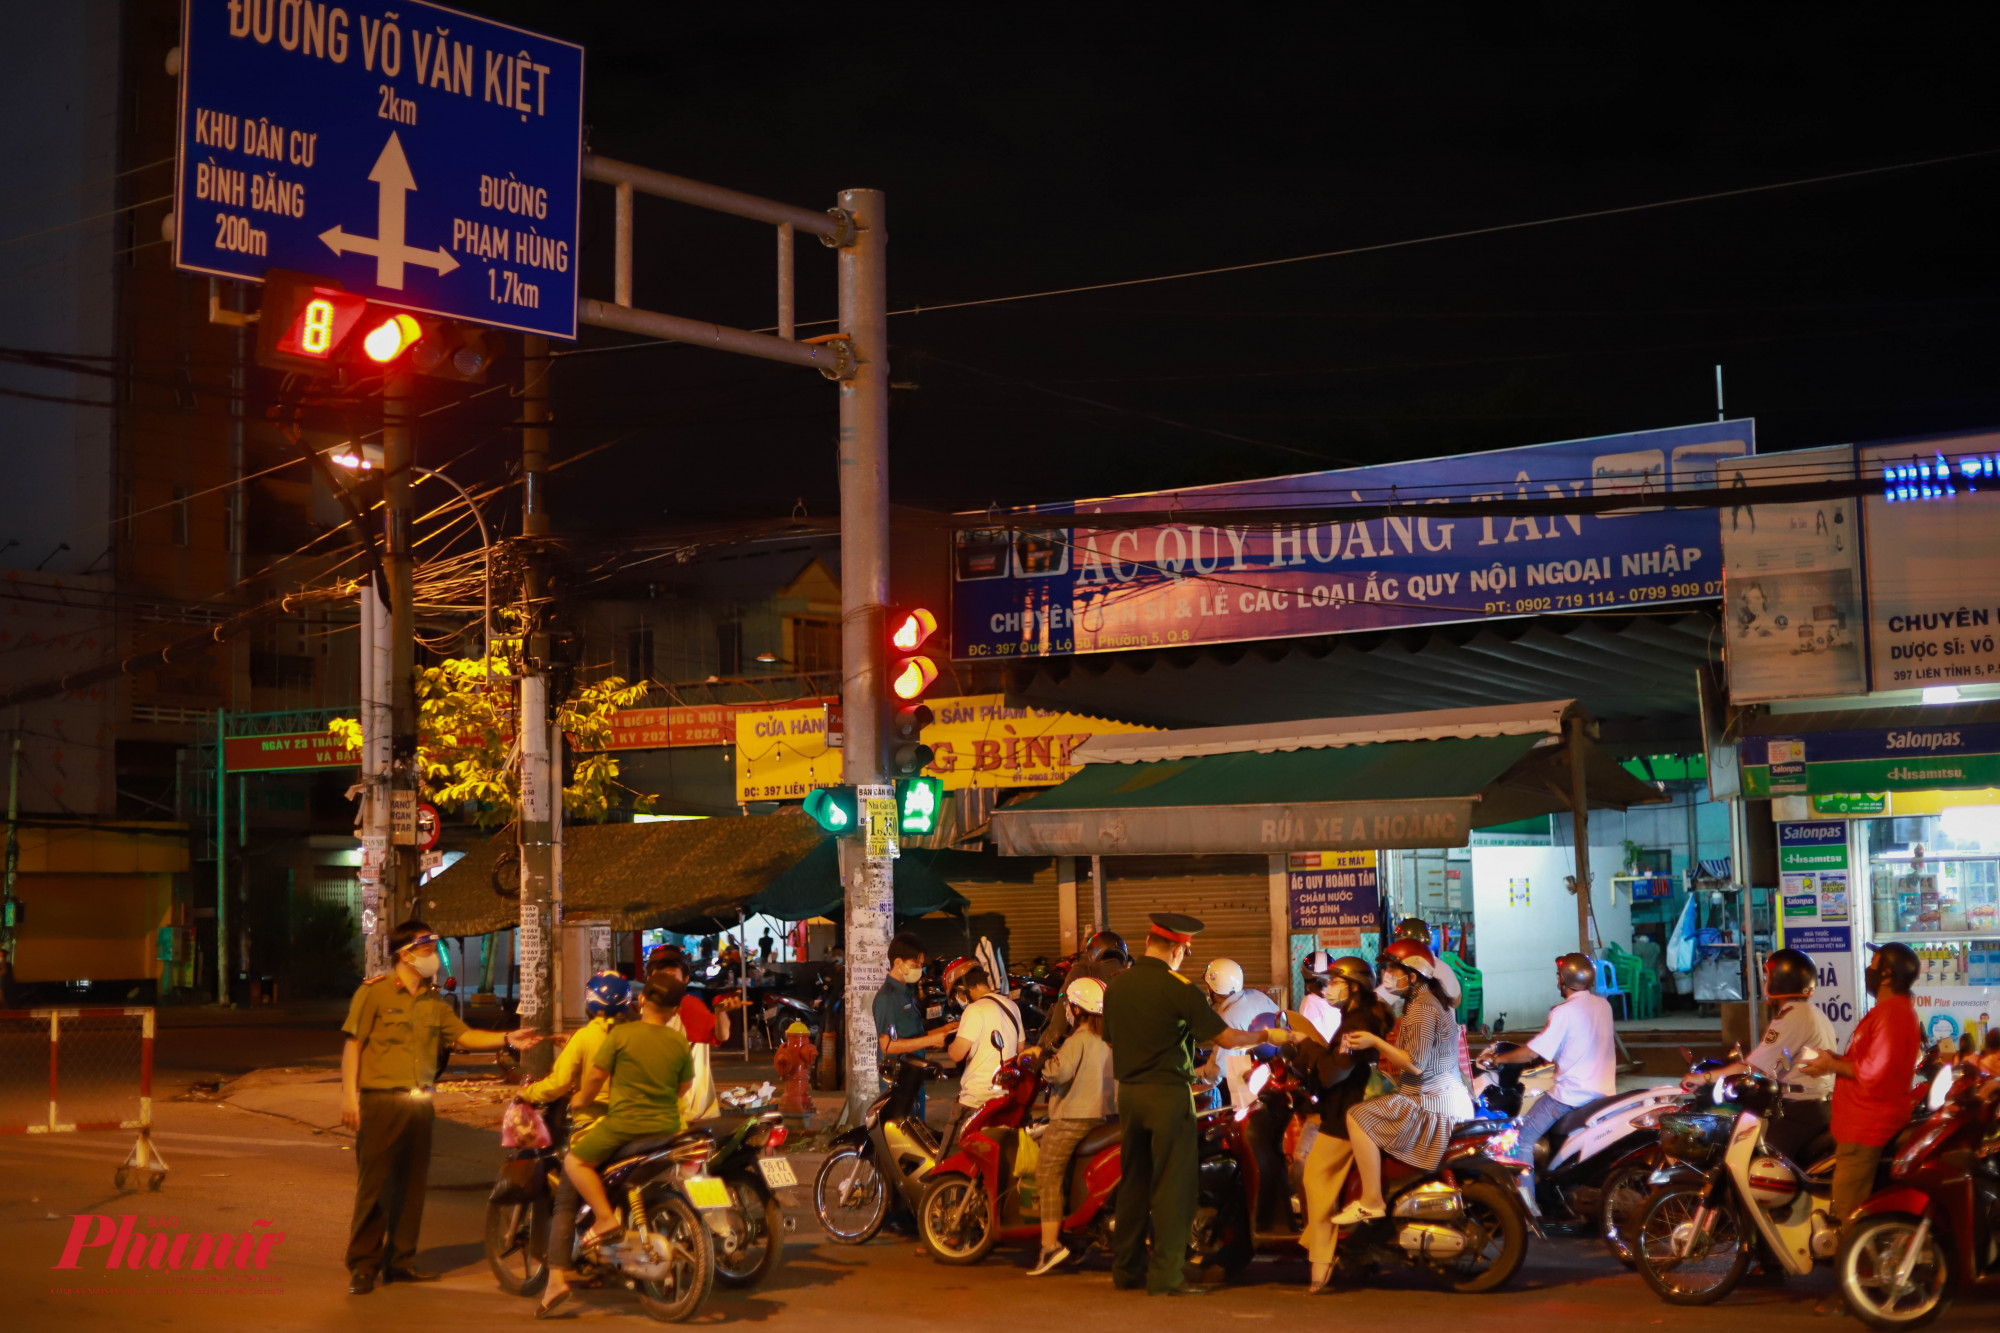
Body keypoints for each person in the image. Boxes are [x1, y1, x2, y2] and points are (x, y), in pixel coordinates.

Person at [1102, 911, 1299, 1297]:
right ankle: (1166, 1276)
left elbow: (1110, 1040)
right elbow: (1225, 1039)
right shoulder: (1180, 990)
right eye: (1185, 952)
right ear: (1178, 949)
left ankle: (1127, 1271)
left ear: (1147, 944)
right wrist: (1269, 1033)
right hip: (1167, 1095)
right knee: (1175, 1186)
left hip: (1129, 1095)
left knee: (1134, 1184)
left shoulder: (1117, 987)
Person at [340, 920, 541, 1295]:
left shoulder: (434, 1001)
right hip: (381, 1101)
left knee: (413, 1187)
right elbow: (353, 1045)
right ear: (405, 954)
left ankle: (400, 1262)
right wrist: (348, 1096)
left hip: (419, 1103)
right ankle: (363, 1266)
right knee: (376, 1187)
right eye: (427, 950)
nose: (433, 957)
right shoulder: (374, 994)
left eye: (434, 950)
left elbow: (463, 1036)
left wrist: (506, 1037)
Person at [553, 975, 698, 1316]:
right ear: (675, 1009)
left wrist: (580, 1100)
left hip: (625, 1126)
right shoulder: (677, 1041)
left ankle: (604, 1219)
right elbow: (685, 1086)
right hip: (667, 1128)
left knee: (575, 1162)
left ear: (642, 999)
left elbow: (594, 1077)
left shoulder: (620, 1034)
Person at [1797, 939, 1922, 1314]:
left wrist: (1830, 1066)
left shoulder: (1893, 1015)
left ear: (1886, 973)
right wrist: (1834, 1059)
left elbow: (1872, 1072)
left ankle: (1852, 1296)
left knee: (1850, 1214)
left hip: (1867, 1127)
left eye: (1874, 962)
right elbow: (1865, 1062)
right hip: (1861, 1121)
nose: (1868, 968)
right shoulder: (1889, 1012)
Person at [1330, 938, 1474, 1226]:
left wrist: (1374, 1042)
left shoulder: (1422, 1007)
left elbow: (1415, 1064)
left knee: (1357, 1116)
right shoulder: (1428, 1000)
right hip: (1446, 1097)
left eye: (1395, 969)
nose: (1389, 976)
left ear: (1413, 975)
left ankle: (1371, 1200)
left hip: (1429, 1103)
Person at [521, 972, 631, 1318]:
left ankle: (556, 1280)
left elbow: (557, 1083)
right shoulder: (635, 1034)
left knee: (565, 1202)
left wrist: (527, 1093)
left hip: (596, 1129)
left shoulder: (585, 1038)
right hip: (637, 1126)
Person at [1681, 947, 1836, 1163]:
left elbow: (1752, 1067)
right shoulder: (1810, 1013)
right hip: (1816, 1107)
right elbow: (1781, 1060)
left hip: (1802, 1111)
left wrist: (1703, 1077)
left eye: (1767, 976)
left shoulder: (1793, 1016)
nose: (1764, 982)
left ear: (1780, 981)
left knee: (1756, 1164)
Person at [1293, 956, 1392, 1293]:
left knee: (1314, 1179)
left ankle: (1320, 1264)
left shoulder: (1355, 1024)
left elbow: (1333, 1071)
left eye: (1335, 982)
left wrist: (1303, 1045)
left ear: (1352, 988)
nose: (1328, 988)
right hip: (1357, 1110)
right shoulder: (1361, 1017)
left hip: (1344, 1116)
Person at [1481, 954, 1616, 1177]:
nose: (1557, 982)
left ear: (1564, 980)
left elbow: (1531, 1052)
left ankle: (1527, 1205)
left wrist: (1497, 1060)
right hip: (1604, 1092)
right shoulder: (1603, 1005)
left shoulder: (1563, 1012)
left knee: (1521, 1139)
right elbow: (1579, 1042)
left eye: (1558, 977)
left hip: (1571, 1096)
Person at [1027, 975, 1117, 1277]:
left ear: (1078, 1010)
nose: (1068, 1010)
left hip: (1071, 1118)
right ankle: (1077, 1238)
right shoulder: (1106, 1040)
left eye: (1071, 1006)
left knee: (1047, 1175)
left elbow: (1057, 1073)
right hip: (1101, 1116)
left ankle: (1050, 1246)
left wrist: (1040, 1059)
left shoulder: (1077, 1040)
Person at [943, 959, 1023, 1153]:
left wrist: (948, 1042)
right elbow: (1020, 1049)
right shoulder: (1011, 1005)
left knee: (949, 1157)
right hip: (1004, 1098)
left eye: (956, 994)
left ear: (962, 988)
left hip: (976, 1099)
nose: (959, 999)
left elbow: (957, 1053)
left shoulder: (974, 1009)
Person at [872, 932, 951, 1119]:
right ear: (898, 963)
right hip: (899, 1081)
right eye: (915, 964)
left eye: (921, 965)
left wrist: (943, 1030)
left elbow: (911, 1034)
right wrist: (930, 1040)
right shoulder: (888, 997)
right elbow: (888, 1045)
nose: (919, 969)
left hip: (914, 1077)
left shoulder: (905, 993)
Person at [1195, 957, 1278, 1109]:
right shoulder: (1258, 996)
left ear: (1214, 988)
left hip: (1246, 1089)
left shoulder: (1228, 1017)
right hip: (1274, 1073)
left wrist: (1198, 1075)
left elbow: (1219, 1069)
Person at [1042, 930, 1130, 1048]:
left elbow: (1063, 1005)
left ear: (1091, 952)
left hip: (1089, 1049)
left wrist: (1050, 1043)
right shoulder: (1131, 976)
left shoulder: (1084, 969)